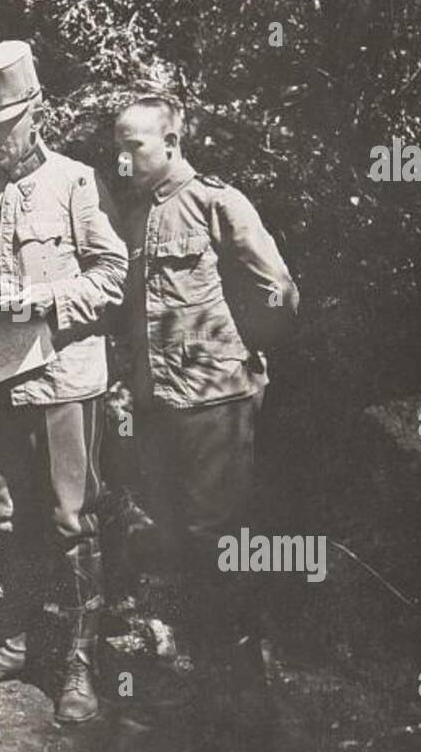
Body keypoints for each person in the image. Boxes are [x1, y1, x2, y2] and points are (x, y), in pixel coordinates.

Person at [0, 40, 128, 724]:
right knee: (7, 517)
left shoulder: (78, 183)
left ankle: (82, 665)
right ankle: (21, 639)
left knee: (70, 522)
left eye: (4, 128)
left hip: (63, 380)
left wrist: (45, 302)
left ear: (36, 114)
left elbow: (113, 276)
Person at [112, 93, 299, 702]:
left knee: (219, 542)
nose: (123, 158)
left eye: (134, 145)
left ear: (171, 143)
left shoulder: (216, 202)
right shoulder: (133, 212)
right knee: (176, 538)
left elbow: (277, 291)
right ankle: (201, 675)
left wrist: (244, 359)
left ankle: (240, 685)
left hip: (215, 402)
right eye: (118, 144)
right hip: (159, 403)